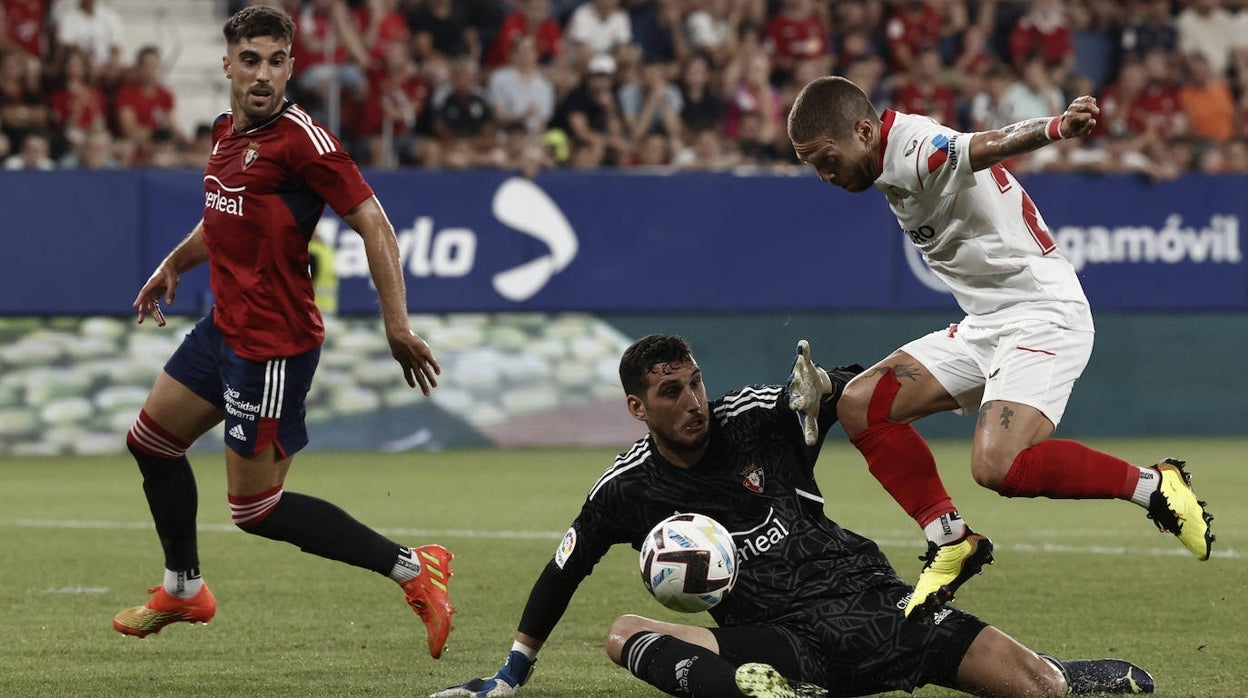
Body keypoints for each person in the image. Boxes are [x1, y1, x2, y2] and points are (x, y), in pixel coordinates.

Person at [430, 334, 1156, 698]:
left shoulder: (757, 418)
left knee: (1038, 688)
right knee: (623, 632)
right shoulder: (627, 489)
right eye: (671, 393)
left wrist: (835, 383)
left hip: (880, 607)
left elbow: (844, 395)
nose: (692, 403)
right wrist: (511, 674)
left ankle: (1058, 675)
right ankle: (769, 696)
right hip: (784, 645)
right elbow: (566, 567)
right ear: (637, 408)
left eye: (695, 384)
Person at [784, 75, 1214, 620]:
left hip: (1042, 315)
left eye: (826, 158)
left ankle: (1155, 487)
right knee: (861, 405)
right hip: (988, 322)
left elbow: (984, 144)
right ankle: (952, 541)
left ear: (865, 130)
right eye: (811, 165)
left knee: (998, 466)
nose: (823, 175)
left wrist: (1056, 127)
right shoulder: (886, 157)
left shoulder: (914, 150)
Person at [111, 5, 455, 661]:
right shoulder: (224, 132)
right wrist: (171, 265)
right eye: (250, 61)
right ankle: (183, 588)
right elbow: (220, 218)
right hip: (223, 330)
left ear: (291, 66)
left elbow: (375, 225)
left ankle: (415, 568)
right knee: (152, 444)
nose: (263, 75)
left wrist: (397, 324)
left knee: (256, 511)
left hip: (270, 347)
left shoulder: (305, 142)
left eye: (275, 61)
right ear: (228, 65)